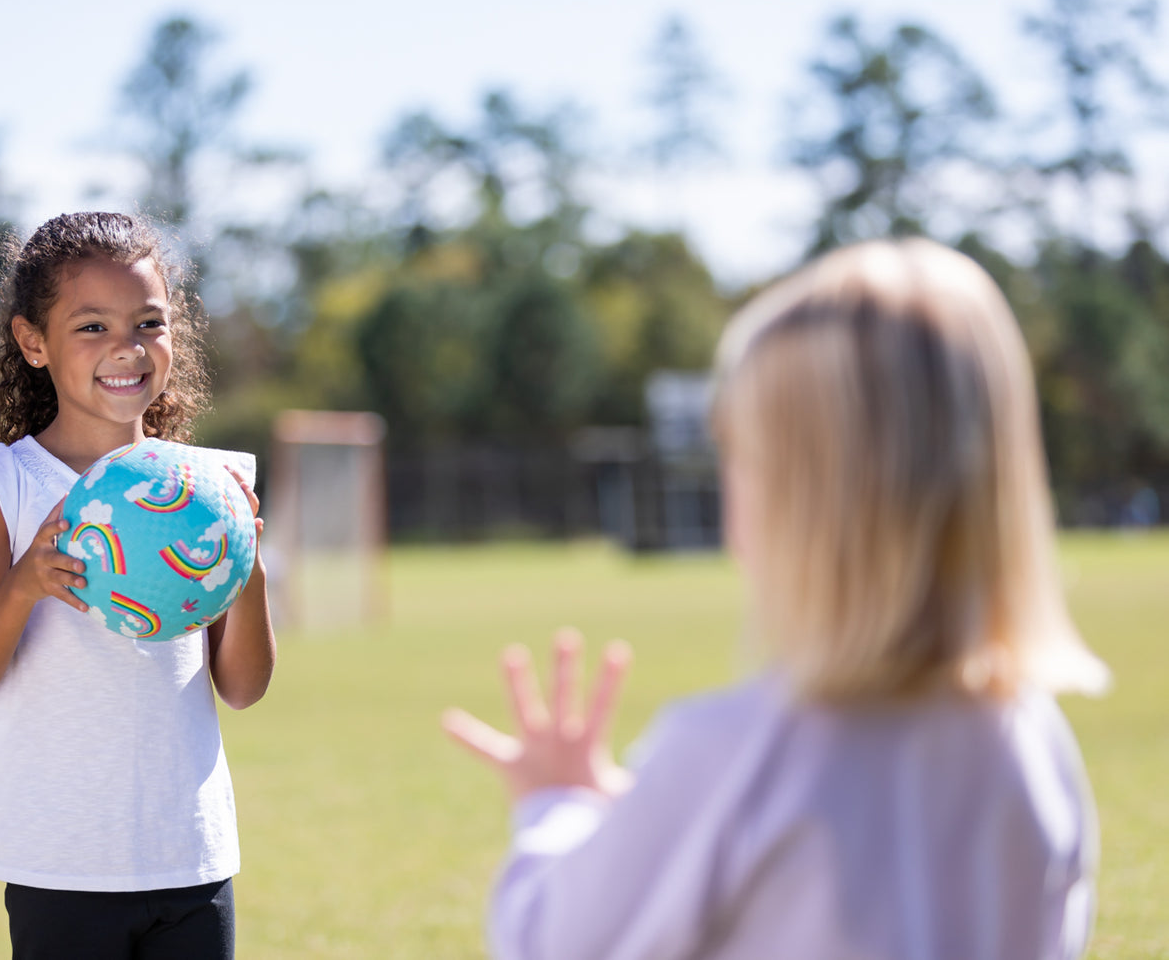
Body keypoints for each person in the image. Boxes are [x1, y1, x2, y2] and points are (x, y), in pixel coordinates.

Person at [443, 239, 1109, 960]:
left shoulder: (732, 753)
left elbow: (551, 940)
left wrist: (555, 804)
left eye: (739, 454)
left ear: (798, 498)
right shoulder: (1028, 741)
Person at [0, 211, 274, 960]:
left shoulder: (212, 488)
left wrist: (244, 564)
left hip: (190, 855)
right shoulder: (1, 483)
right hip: (58, 861)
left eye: (149, 322)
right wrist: (23, 586)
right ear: (33, 342)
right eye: (92, 326)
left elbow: (244, 688)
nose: (127, 346)